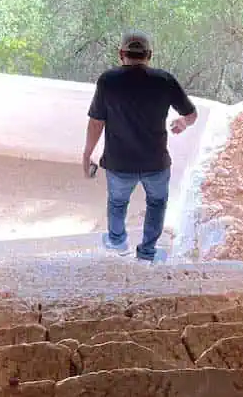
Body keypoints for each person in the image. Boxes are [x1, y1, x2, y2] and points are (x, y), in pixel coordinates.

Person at [83, 31, 198, 262]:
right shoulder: (164, 80)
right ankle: (146, 253)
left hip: (119, 162)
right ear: (149, 55)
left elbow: (97, 122)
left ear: (121, 54)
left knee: (117, 202)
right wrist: (182, 123)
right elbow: (191, 114)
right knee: (156, 204)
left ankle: (117, 242)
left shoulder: (108, 81)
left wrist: (87, 154)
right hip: (155, 162)